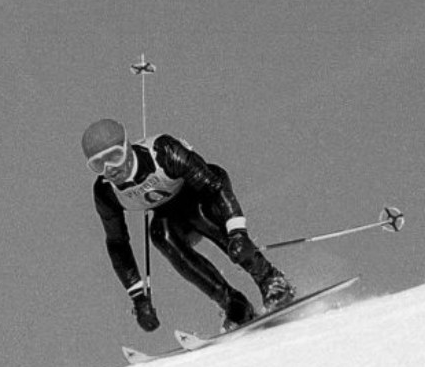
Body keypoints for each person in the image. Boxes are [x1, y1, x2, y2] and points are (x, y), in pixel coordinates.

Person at [82, 118, 295, 332]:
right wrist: (138, 297)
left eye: (115, 157)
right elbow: (117, 243)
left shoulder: (162, 153)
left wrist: (238, 232)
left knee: (205, 217)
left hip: (204, 195)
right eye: (98, 164)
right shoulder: (106, 192)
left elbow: (215, 186)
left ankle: (271, 280)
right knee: (160, 235)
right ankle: (235, 306)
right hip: (172, 216)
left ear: (127, 147)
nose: (110, 169)